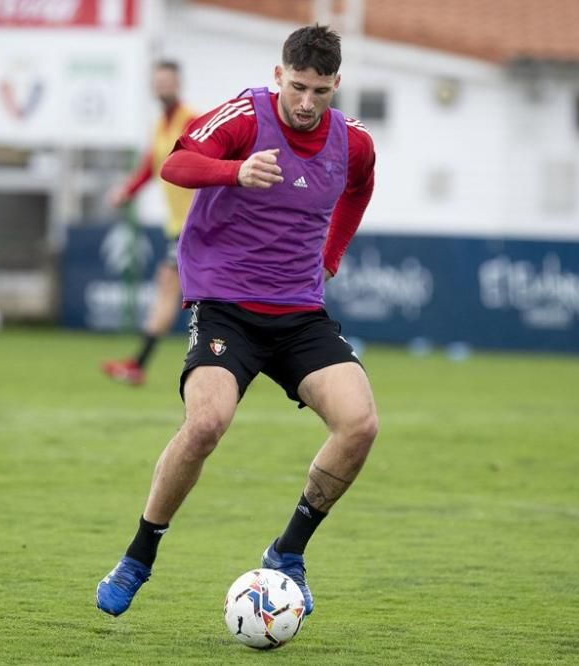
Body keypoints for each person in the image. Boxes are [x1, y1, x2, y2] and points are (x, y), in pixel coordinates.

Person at [96, 25, 378, 618]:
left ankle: (287, 554)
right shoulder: (244, 119)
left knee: (360, 424)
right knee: (206, 424)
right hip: (226, 306)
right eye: (297, 86)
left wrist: (331, 255)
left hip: (300, 313)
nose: (306, 103)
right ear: (279, 75)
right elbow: (176, 165)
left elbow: (359, 188)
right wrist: (236, 171)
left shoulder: (352, 141)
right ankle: (139, 556)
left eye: (320, 91)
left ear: (337, 85)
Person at [101, 60, 198, 386]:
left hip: (196, 226)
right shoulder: (159, 126)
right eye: (158, 82)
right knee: (205, 295)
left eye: (167, 81)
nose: (162, 87)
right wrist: (126, 191)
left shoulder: (193, 120)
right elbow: (149, 167)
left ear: (178, 83)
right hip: (178, 227)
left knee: (170, 289)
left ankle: (138, 364)